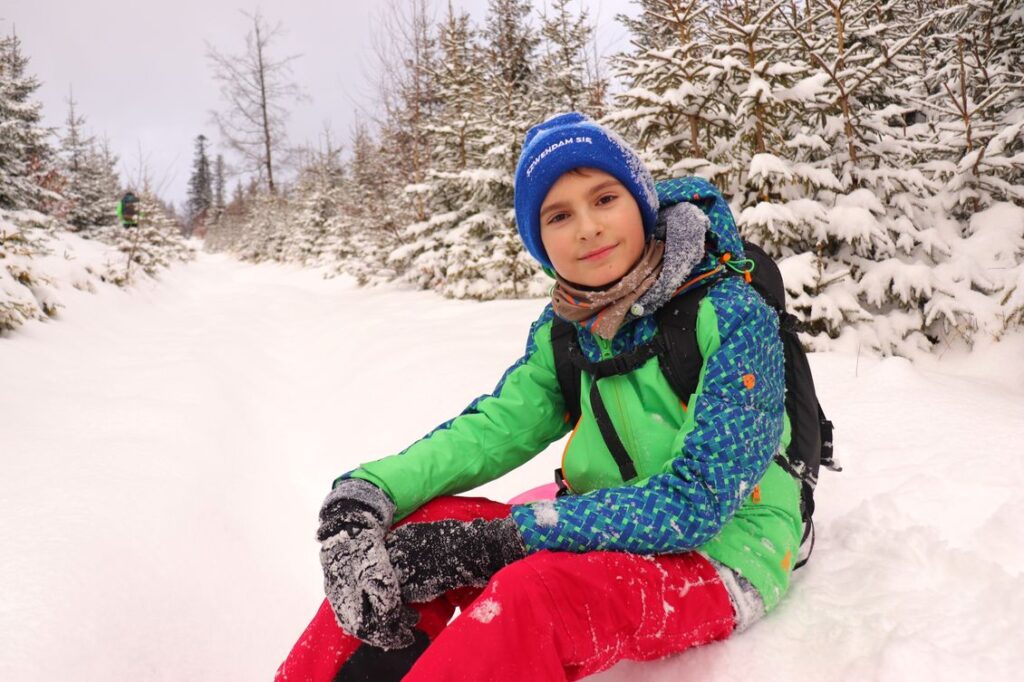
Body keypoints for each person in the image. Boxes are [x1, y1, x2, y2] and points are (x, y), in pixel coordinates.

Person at [275, 112, 801, 681]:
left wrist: (500, 542)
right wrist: (366, 493)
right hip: (603, 530)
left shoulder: (730, 314)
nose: (588, 228)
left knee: (533, 597)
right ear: (540, 241)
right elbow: (494, 428)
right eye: (559, 214)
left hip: (723, 554)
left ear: (642, 203)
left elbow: (696, 501)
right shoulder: (566, 330)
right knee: (414, 540)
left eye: (605, 198)